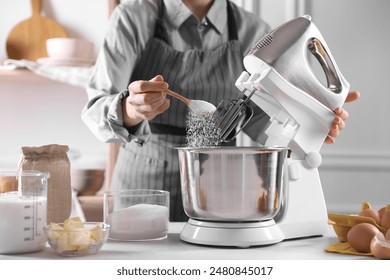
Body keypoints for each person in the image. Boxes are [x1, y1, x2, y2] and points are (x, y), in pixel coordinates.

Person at [81, 0, 360, 221]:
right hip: (144, 183)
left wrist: (304, 123)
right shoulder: (132, 17)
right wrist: (130, 107)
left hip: (220, 183)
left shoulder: (252, 30)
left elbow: (261, 121)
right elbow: (95, 109)